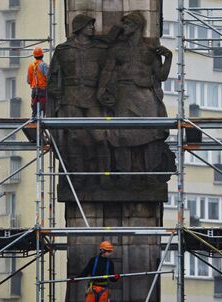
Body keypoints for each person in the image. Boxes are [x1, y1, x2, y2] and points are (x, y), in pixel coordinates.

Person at [97, 11, 174, 189]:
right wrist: (101, 92)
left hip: (146, 96)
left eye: (128, 25)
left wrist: (168, 58)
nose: (124, 28)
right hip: (124, 95)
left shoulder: (149, 50)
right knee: (121, 135)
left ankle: (150, 175)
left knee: (153, 135)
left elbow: (161, 76)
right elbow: (106, 73)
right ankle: (125, 175)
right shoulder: (118, 50)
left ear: (137, 26)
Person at [47, 14, 111, 189]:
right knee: (74, 139)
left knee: (101, 136)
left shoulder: (100, 50)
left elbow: (109, 74)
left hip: (93, 99)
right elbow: (53, 76)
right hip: (70, 98)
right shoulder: (63, 50)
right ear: (79, 28)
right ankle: (79, 177)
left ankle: (104, 176)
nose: (92, 28)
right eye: (89, 25)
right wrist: (55, 93)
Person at [28, 47, 49, 117]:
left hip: (34, 89)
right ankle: (41, 121)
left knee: (34, 108)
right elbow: (48, 77)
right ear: (42, 55)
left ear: (34, 56)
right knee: (42, 108)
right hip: (42, 89)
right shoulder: (44, 65)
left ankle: (34, 121)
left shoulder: (30, 66)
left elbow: (28, 81)